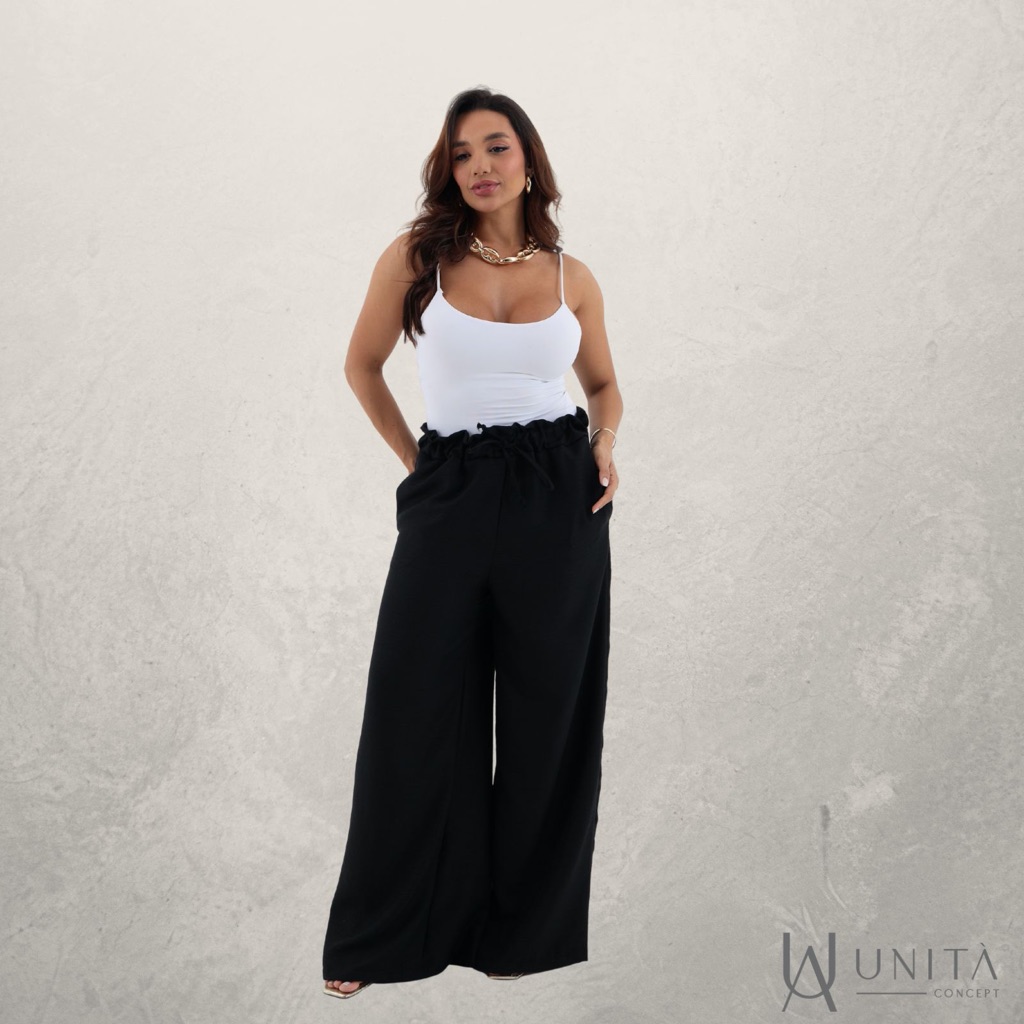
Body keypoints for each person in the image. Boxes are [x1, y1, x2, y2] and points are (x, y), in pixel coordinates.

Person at [321, 86, 623, 999]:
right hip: (451, 489)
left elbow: (603, 385)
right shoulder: (417, 257)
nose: (480, 166)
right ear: (447, 170)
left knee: (548, 715)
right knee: (413, 707)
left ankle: (518, 935)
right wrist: (421, 466)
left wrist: (606, 440)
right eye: (461, 154)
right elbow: (361, 365)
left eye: (496, 147)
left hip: (557, 496)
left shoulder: (572, 276)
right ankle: (380, 940)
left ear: (529, 160)